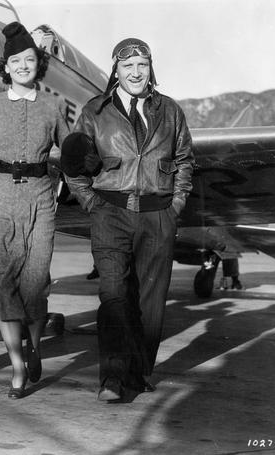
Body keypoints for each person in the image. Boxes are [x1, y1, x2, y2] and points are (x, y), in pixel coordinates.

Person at [62, 38, 194, 401]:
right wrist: (93, 204)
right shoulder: (94, 111)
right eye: (128, 66)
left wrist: (175, 205)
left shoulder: (170, 111)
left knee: (150, 303)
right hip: (111, 213)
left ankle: (137, 372)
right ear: (115, 71)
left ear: (150, 69)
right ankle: (113, 378)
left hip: (157, 215)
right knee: (114, 295)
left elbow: (184, 160)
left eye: (142, 65)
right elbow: (73, 167)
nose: (136, 73)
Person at [0, 22, 69, 399]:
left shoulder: (54, 105)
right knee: (2, 282)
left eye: (29, 60)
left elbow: (70, 150)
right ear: (6, 66)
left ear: (39, 64)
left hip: (41, 197)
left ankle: (34, 348)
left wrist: (75, 175)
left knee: (35, 281)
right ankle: (17, 363)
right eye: (15, 60)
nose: (22, 66)